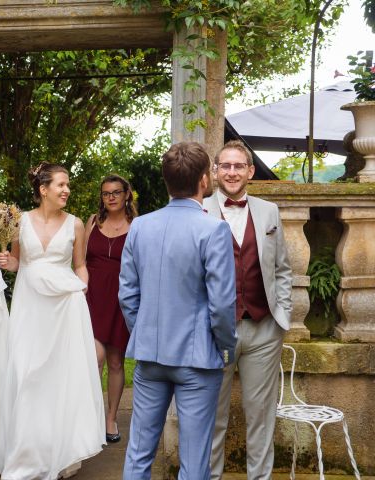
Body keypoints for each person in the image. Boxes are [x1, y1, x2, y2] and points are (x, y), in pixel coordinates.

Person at [119, 141, 237, 480]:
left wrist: (143, 333)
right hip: (198, 359)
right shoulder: (214, 229)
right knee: (194, 460)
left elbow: (128, 294)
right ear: (204, 179)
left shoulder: (140, 226)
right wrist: (226, 347)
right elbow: (221, 304)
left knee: (139, 453)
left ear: (166, 181)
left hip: (150, 356)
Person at [0, 162, 105, 480]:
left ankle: (61, 452)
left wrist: (82, 289)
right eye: (61, 185)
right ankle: (26, 453)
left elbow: (80, 266)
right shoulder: (20, 221)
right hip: (30, 309)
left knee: (60, 378)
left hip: (65, 309)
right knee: (27, 373)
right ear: (43, 189)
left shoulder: (76, 224)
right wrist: (5, 261)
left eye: (67, 185)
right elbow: (17, 263)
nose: (66, 190)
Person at [205, 140, 292, 480]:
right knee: (213, 417)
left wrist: (281, 314)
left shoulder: (268, 211)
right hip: (215, 331)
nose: (231, 172)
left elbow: (282, 268)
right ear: (214, 171)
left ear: (250, 171)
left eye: (238, 166)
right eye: (225, 166)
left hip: (263, 329)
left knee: (261, 416)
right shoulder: (200, 211)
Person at [84, 174, 137, 443]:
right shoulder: (92, 222)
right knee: (95, 359)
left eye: (116, 192)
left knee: (116, 362)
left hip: (121, 300)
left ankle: (111, 418)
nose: (111, 197)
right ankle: (88, 417)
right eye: (106, 193)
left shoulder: (138, 225)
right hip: (92, 299)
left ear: (127, 194)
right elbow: (79, 262)